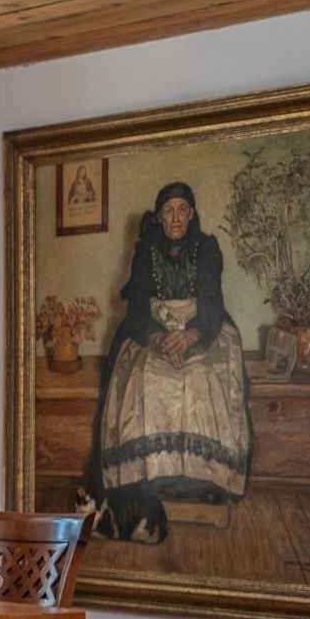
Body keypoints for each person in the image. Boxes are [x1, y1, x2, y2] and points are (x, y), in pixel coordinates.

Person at [85, 180, 251, 544]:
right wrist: (160, 337)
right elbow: (137, 305)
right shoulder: (146, 251)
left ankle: (201, 479)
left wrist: (190, 336)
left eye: (181, 210)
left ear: (191, 214)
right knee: (144, 375)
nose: (175, 218)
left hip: (200, 327)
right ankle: (152, 476)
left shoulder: (207, 248)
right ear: (159, 217)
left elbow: (212, 301)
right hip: (155, 329)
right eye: (168, 211)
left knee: (201, 375)